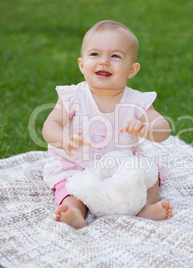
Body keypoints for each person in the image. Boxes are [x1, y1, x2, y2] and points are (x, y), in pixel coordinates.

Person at [42, 20, 172, 229]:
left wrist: (148, 129)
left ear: (132, 69)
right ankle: (74, 211)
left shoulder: (137, 101)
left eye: (115, 56)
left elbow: (164, 129)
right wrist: (63, 139)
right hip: (79, 164)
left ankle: (144, 207)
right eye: (95, 54)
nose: (104, 62)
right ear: (81, 64)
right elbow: (50, 125)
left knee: (150, 174)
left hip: (121, 165)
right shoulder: (73, 97)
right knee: (71, 186)